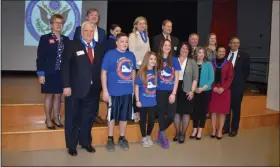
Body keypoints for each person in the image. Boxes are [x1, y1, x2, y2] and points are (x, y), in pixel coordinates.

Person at [61, 21, 104, 156]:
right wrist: (66, 85)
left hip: (93, 90)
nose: (89, 33)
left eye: (92, 31)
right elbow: (65, 66)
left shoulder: (99, 47)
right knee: (72, 118)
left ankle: (86, 143)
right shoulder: (72, 45)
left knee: (88, 118)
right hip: (74, 89)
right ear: (81, 32)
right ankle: (72, 145)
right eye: (86, 31)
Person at [101, 33, 136, 152]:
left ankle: (122, 137)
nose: (125, 44)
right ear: (116, 42)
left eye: (126, 41)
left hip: (127, 91)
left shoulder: (131, 55)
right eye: (122, 41)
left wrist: (133, 89)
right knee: (111, 116)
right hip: (113, 92)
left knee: (124, 116)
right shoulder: (109, 54)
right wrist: (105, 91)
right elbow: (103, 73)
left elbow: (133, 73)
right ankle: (110, 138)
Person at [36, 14, 69, 130]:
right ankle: (48, 119)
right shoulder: (45, 38)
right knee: (49, 95)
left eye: (61, 23)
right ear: (51, 25)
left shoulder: (66, 39)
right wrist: (41, 74)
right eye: (56, 22)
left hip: (62, 73)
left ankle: (56, 118)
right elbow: (40, 57)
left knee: (58, 96)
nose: (59, 25)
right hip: (49, 72)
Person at [74, 8, 106, 124]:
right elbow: (75, 48)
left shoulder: (102, 32)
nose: (94, 17)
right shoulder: (79, 30)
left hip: (96, 69)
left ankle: (94, 114)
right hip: (82, 70)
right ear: (87, 17)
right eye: (91, 15)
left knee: (95, 93)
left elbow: (102, 50)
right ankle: (81, 115)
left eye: (96, 16)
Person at [223, 37, 250, 137]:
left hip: (237, 87)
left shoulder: (244, 56)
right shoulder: (225, 55)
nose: (235, 44)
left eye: (237, 43)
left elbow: (246, 72)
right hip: (226, 87)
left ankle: (234, 129)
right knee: (226, 108)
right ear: (229, 44)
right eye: (233, 43)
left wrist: (241, 84)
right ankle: (225, 128)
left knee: (236, 109)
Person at [156, 39, 181, 149]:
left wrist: (174, 93)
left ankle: (161, 131)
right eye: (165, 45)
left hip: (171, 91)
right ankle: (163, 137)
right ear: (161, 47)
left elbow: (176, 79)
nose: (167, 47)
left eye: (169, 45)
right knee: (161, 114)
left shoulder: (175, 60)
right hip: (159, 91)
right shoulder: (157, 59)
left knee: (171, 115)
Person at [173, 42, 198, 143]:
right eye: (183, 48)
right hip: (175, 88)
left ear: (189, 51)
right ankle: (177, 132)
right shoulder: (174, 60)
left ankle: (183, 133)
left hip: (187, 89)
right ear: (179, 49)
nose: (184, 50)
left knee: (186, 113)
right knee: (176, 112)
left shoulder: (192, 62)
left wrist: (192, 91)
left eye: (187, 49)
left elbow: (195, 79)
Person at [208, 46, 234, 140]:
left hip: (224, 91)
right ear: (217, 52)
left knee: (222, 112)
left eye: (223, 51)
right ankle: (214, 130)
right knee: (214, 111)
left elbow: (230, 78)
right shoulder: (211, 63)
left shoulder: (229, 64)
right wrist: (213, 87)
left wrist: (223, 88)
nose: (222, 53)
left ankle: (220, 130)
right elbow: (209, 76)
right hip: (214, 91)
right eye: (220, 51)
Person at [189, 47, 214, 140]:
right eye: (199, 52)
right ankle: (194, 129)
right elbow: (189, 77)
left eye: (203, 52)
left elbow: (211, 78)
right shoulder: (192, 63)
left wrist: (202, 88)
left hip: (205, 91)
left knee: (203, 111)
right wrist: (194, 88)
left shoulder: (208, 64)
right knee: (195, 111)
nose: (201, 54)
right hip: (194, 91)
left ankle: (200, 130)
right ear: (196, 53)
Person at [135, 51, 157, 148]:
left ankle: (148, 135)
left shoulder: (156, 72)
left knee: (152, 120)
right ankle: (143, 137)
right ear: (147, 59)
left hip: (152, 102)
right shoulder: (141, 72)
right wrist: (137, 100)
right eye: (151, 59)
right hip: (143, 102)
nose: (153, 61)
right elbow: (136, 87)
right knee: (143, 120)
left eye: (155, 59)